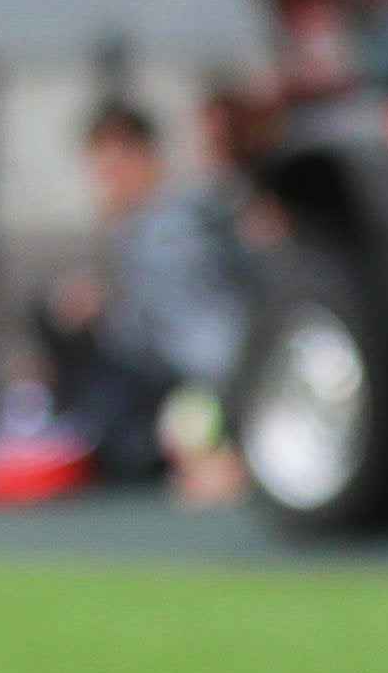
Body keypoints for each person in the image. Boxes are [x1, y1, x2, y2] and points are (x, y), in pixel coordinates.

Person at [35, 98, 251, 490]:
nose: (104, 180)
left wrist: (228, 446)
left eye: (115, 167)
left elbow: (213, 345)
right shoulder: (141, 231)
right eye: (98, 168)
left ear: (147, 159)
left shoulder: (169, 236)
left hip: (204, 400)